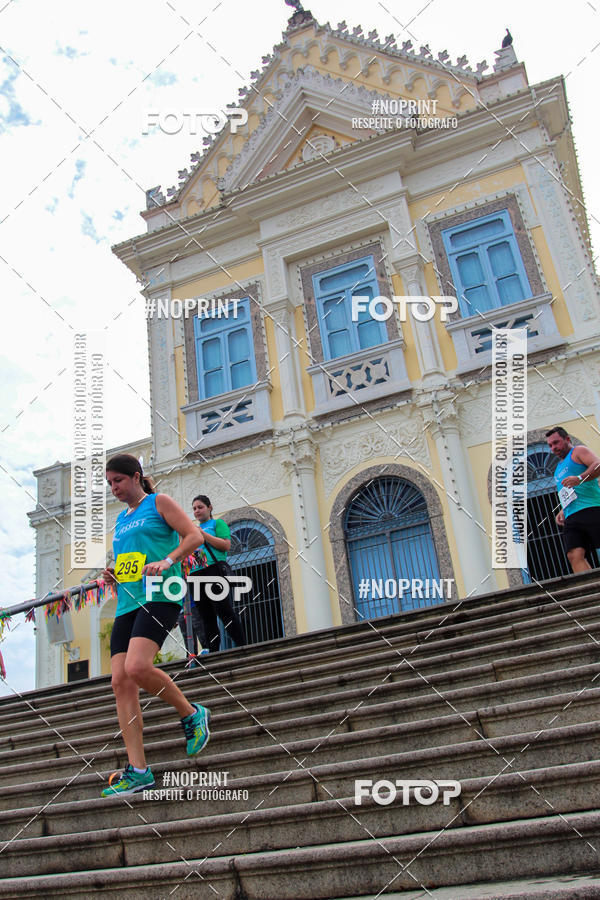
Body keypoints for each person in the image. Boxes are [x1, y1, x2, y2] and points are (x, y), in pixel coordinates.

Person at [100, 454, 212, 798]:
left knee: (137, 667)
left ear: (136, 477)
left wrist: (168, 560)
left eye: (118, 481)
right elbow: (132, 561)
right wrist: (115, 575)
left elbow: (194, 537)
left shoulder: (157, 502)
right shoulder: (121, 520)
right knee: (120, 681)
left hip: (162, 595)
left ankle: (192, 713)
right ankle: (138, 771)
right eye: (109, 483)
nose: (113, 488)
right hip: (127, 602)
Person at [188, 494, 246, 652]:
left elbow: (226, 545)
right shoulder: (191, 529)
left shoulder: (217, 523)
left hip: (214, 570)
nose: (197, 511)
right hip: (195, 573)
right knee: (205, 615)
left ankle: (242, 645)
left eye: (200, 507)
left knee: (223, 610)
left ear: (209, 508)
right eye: (194, 509)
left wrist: (203, 535)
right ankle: (213, 651)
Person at [546, 426, 600, 573]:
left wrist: (579, 478)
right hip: (571, 516)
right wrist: (563, 509)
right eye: (550, 445)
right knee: (574, 555)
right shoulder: (558, 468)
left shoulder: (578, 451)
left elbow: (598, 465)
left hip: (592, 508)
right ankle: (593, 590)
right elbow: (571, 491)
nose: (553, 448)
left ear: (567, 439)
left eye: (556, 443)